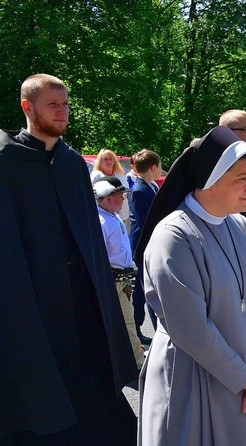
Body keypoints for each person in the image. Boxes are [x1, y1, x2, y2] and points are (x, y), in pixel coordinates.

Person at [0, 73, 137, 443]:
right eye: (53, 105)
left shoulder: (71, 163)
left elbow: (90, 242)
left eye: (65, 105)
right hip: (34, 302)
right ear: (27, 107)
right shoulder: (6, 162)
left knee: (94, 393)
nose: (62, 112)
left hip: (81, 300)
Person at [135, 126, 246, 444]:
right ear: (211, 179)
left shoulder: (242, 225)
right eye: (242, 179)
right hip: (194, 383)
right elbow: (191, 329)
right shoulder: (173, 236)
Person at [94, 176, 145, 371]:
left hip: (121, 279)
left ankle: (126, 359)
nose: (123, 199)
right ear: (107, 198)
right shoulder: (101, 221)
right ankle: (137, 363)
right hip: (112, 280)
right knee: (126, 323)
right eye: (119, 195)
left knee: (125, 322)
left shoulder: (111, 217)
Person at [129, 149, 162, 343]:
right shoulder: (139, 191)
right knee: (144, 288)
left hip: (150, 242)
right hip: (143, 245)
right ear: (153, 167)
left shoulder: (151, 187)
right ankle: (143, 327)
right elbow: (144, 222)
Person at [90, 147, 130, 223]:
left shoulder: (120, 175)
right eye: (105, 159)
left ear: (114, 161)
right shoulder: (96, 176)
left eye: (110, 159)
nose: (108, 161)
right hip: (104, 218)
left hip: (122, 216)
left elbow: (127, 192)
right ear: (100, 162)